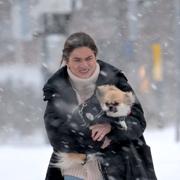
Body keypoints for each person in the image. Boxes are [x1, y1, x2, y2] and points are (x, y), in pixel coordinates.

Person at [43, 32, 157, 180]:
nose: (84, 65)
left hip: (117, 168)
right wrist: (98, 140)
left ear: (95, 56)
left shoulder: (115, 80)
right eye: (77, 60)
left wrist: (111, 129)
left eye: (89, 58)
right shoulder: (56, 88)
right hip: (73, 171)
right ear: (67, 60)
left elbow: (137, 121)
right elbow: (57, 135)